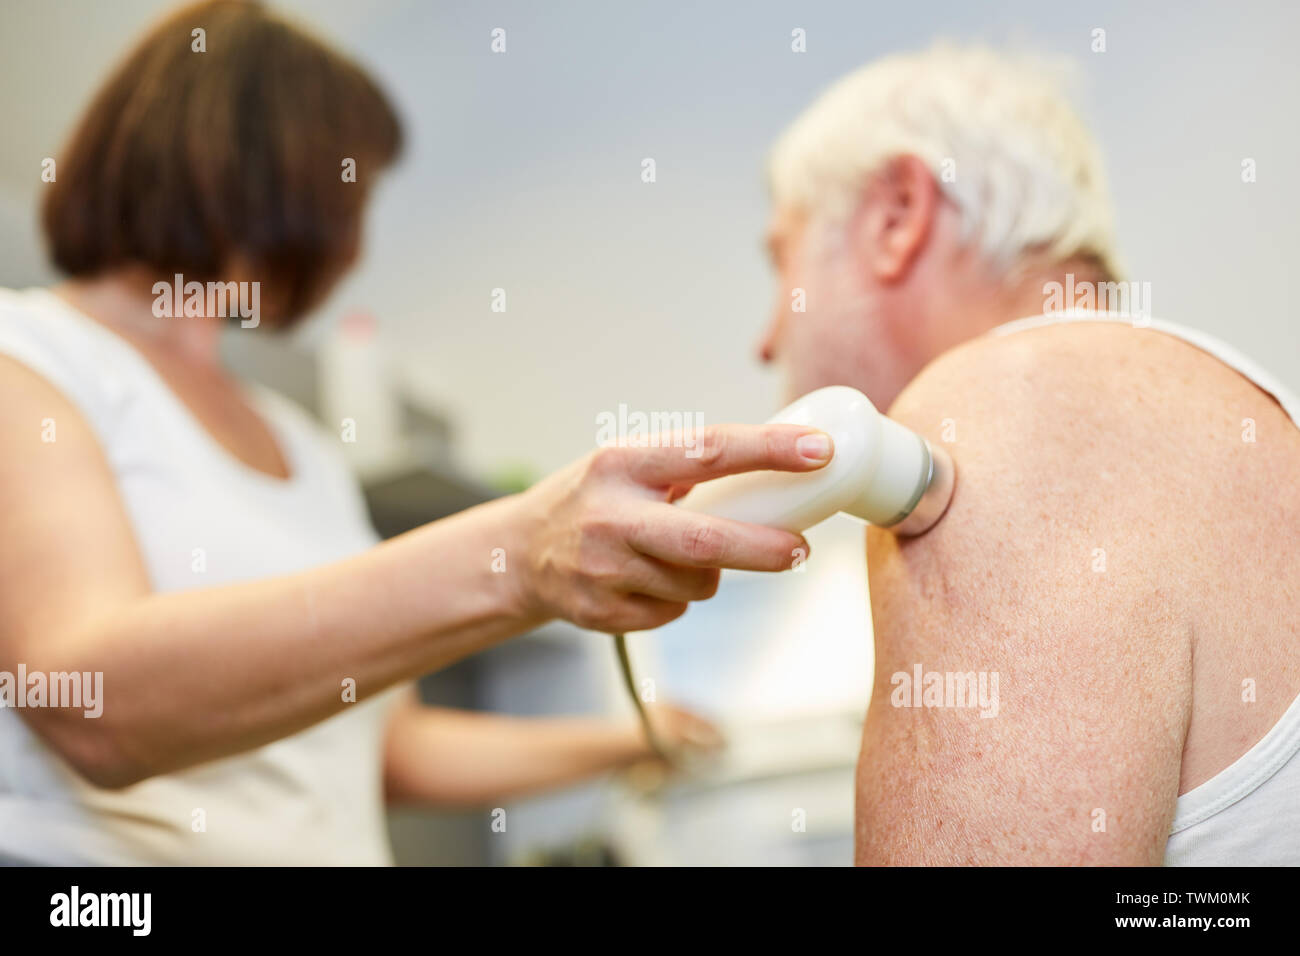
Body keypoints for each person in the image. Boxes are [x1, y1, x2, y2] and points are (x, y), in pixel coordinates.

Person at [0, 0, 835, 865]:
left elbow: (387, 746)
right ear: (262, 170)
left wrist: (633, 736)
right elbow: (91, 704)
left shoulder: (302, 447)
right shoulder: (27, 358)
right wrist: (521, 552)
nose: (354, 243)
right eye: (350, 188)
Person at [758, 43, 1300, 864]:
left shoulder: (1010, 400)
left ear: (899, 215)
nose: (767, 340)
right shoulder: (1224, 405)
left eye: (782, 264)